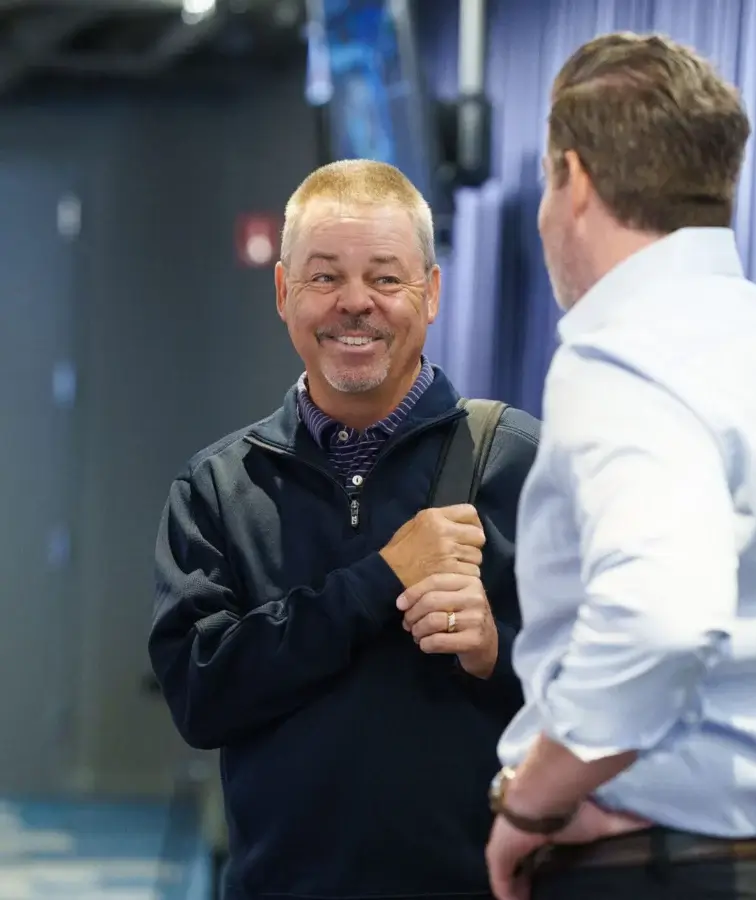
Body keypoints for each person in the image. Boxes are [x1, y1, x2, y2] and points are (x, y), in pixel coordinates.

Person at [485, 32, 756, 900]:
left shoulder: (620, 357)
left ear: (575, 179)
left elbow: (660, 620)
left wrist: (534, 804)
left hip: (651, 871)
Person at [149, 159, 540, 900]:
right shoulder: (219, 487)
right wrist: (381, 578)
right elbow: (202, 699)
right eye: (325, 277)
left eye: (386, 279)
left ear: (430, 293)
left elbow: (605, 690)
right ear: (282, 291)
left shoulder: (518, 462)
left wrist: (499, 652)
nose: (355, 303)